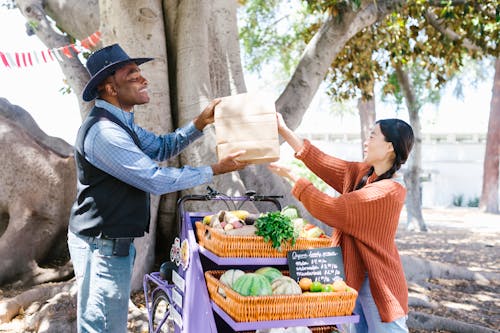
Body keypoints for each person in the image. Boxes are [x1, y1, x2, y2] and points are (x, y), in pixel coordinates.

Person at [67, 43, 247, 333]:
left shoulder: (122, 123)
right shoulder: (105, 132)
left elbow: (163, 147)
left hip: (114, 243)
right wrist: (215, 169)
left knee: (108, 324)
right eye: (133, 75)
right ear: (110, 88)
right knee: (102, 327)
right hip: (100, 246)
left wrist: (201, 122)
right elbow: (154, 179)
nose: (144, 79)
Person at [269, 113, 414, 333]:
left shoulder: (388, 191)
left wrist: (292, 177)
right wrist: (283, 129)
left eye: (373, 136)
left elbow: (334, 210)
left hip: (380, 284)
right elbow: (321, 161)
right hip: (355, 275)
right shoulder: (365, 174)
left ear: (389, 148)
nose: (367, 141)